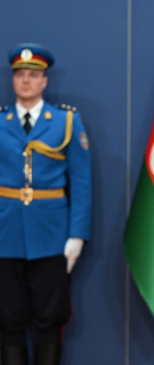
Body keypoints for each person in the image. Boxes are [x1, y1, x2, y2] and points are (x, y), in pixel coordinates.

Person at [0, 44, 92, 365]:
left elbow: (81, 182)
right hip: (5, 234)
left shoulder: (65, 121)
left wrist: (77, 235)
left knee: (50, 318)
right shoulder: (1, 121)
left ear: (44, 81)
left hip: (51, 235)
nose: (26, 81)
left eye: (33, 74)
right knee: (7, 319)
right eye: (20, 75)